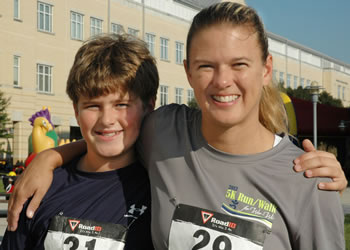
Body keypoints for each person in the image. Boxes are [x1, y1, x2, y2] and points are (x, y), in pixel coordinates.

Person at [6, 2, 347, 249]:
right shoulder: (164, 132)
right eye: (206, 66)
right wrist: (48, 159)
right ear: (188, 72)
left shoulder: (308, 181)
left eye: (239, 64)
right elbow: (111, 133)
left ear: (267, 68)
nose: (223, 80)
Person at [1, 33, 158, 249]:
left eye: (122, 104)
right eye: (93, 106)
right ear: (76, 111)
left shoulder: (163, 185)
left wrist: (51, 155)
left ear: (149, 106)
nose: (107, 120)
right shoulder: (39, 189)